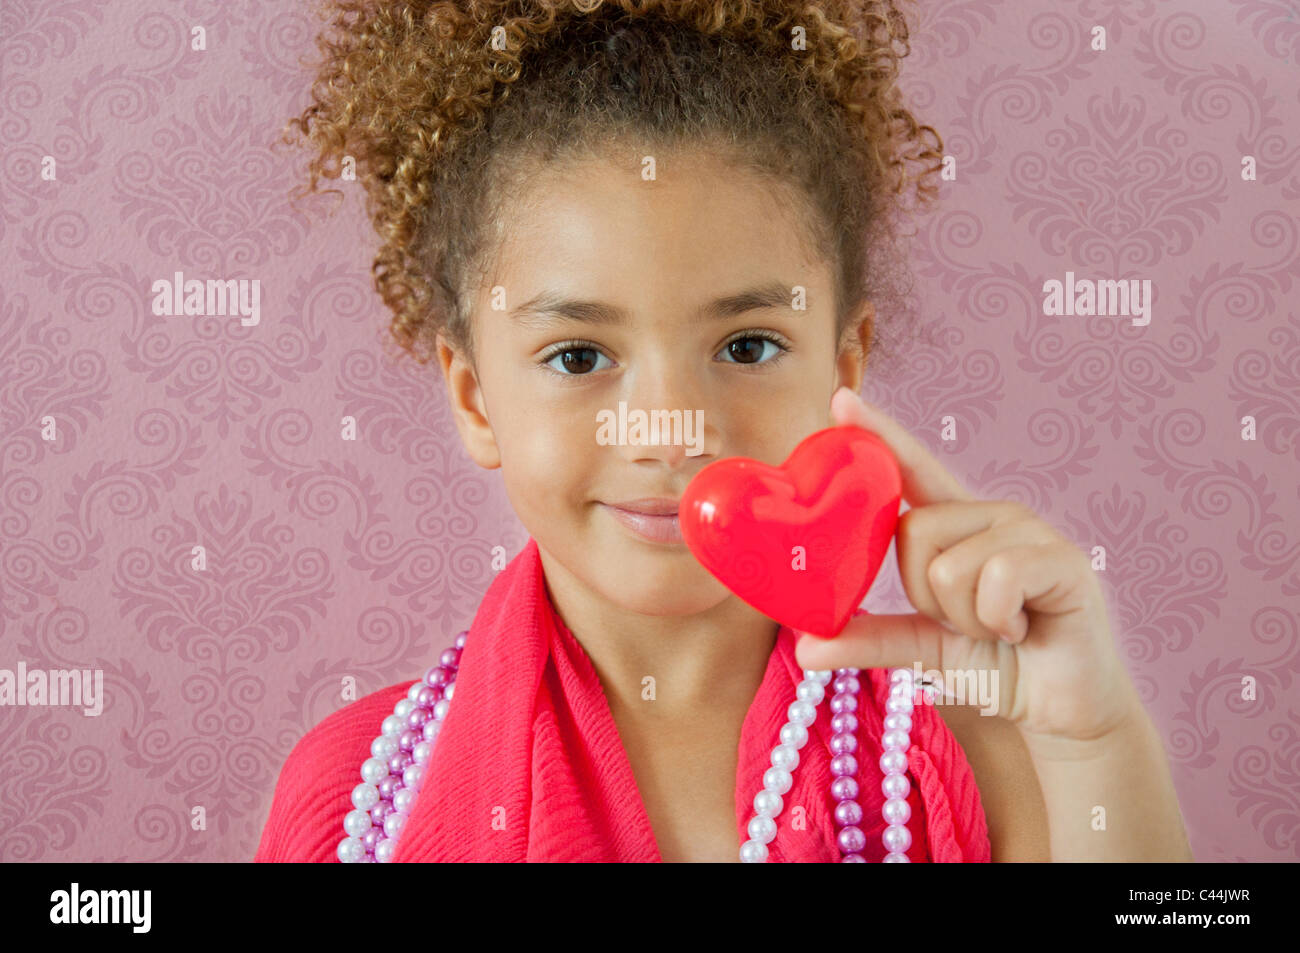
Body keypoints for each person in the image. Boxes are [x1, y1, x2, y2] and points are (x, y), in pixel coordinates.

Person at [255, 0, 1194, 862]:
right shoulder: (360, 799)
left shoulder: (981, 751)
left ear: (843, 363)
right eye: (579, 357)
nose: (671, 430)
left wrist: (1094, 740)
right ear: (473, 398)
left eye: (746, 345)